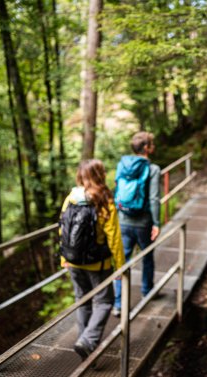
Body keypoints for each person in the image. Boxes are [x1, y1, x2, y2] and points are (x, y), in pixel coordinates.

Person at [60, 159, 125, 360]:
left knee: (83, 301)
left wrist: (64, 257)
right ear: (100, 175)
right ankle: (87, 342)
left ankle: (84, 345)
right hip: (98, 263)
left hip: (73, 261)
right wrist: (121, 266)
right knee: (104, 302)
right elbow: (114, 236)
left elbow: (62, 228)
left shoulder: (71, 197)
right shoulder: (104, 199)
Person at [113, 132, 161, 316]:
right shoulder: (153, 168)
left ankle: (118, 304)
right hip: (143, 222)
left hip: (123, 220)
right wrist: (156, 223)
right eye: (152, 144)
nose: (154, 146)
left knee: (122, 261)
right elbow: (154, 198)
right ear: (147, 148)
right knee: (147, 256)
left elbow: (117, 191)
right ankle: (147, 291)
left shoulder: (122, 165)